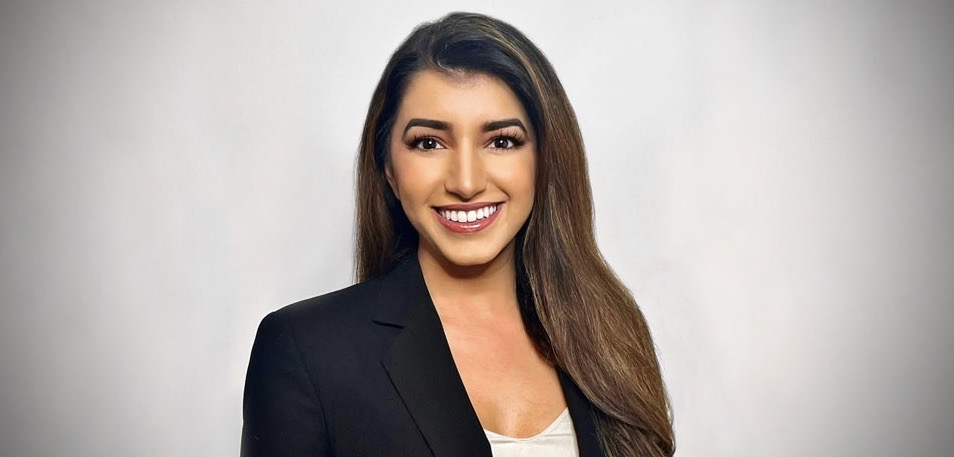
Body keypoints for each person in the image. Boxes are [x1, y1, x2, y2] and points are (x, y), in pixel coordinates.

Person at [242, 12, 674, 457]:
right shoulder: (305, 350)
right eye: (429, 143)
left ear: (544, 161)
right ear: (389, 168)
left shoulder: (609, 333)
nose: (466, 182)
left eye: (501, 141)